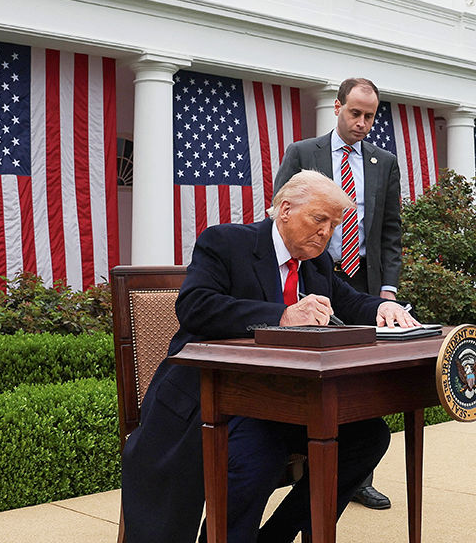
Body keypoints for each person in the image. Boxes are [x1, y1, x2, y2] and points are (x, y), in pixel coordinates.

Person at [120, 170, 418, 543]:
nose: (326, 232)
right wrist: (281, 316)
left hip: (281, 398)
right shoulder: (226, 242)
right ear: (286, 209)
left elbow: (348, 300)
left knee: (368, 436)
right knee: (257, 452)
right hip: (211, 395)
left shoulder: (317, 263)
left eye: (333, 224)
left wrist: (381, 309)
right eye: (319, 219)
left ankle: (275, 536)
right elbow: (195, 307)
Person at [272, 77, 402, 511]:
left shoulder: (385, 162)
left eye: (370, 116)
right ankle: (310, 460)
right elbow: (279, 212)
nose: (363, 123)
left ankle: (356, 476)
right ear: (337, 107)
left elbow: (388, 231)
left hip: (363, 281)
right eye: (355, 113)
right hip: (310, 275)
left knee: (363, 380)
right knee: (316, 372)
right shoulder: (303, 153)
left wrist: (386, 292)